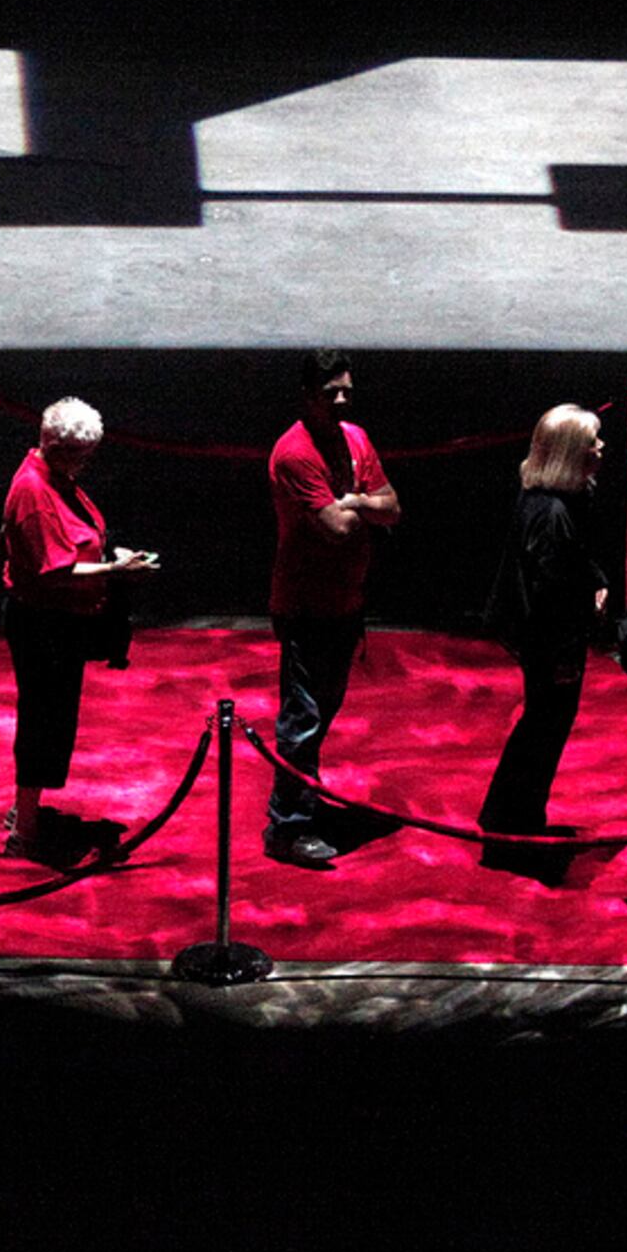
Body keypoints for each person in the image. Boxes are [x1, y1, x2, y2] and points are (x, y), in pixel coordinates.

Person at [0, 396, 155, 862]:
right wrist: (115, 570)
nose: (85, 464)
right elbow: (55, 570)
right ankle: (24, 830)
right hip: (42, 621)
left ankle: (24, 812)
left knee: (52, 718)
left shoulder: (57, 478)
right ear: (55, 446)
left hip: (58, 620)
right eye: (79, 454)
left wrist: (109, 561)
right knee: (43, 721)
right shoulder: (34, 492)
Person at [264, 347, 401, 869]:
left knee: (321, 715)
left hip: (346, 600)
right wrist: (360, 507)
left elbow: (391, 508)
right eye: (330, 393)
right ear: (307, 396)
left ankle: (301, 800)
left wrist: (357, 501)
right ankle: (287, 827)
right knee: (302, 718)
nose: (342, 399)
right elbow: (335, 529)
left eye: (347, 389)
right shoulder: (294, 453)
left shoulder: (356, 437)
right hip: (305, 604)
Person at [474, 404, 608, 882]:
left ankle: (515, 820)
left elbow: (570, 567)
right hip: (549, 644)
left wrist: (592, 580)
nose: (600, 448)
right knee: (543, 730)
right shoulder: (552, 513)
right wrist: (567, 655)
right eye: (591, 442)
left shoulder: (548, 501)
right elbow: (550, 596)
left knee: (541, 727)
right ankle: (511, 824)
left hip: (539, 638)